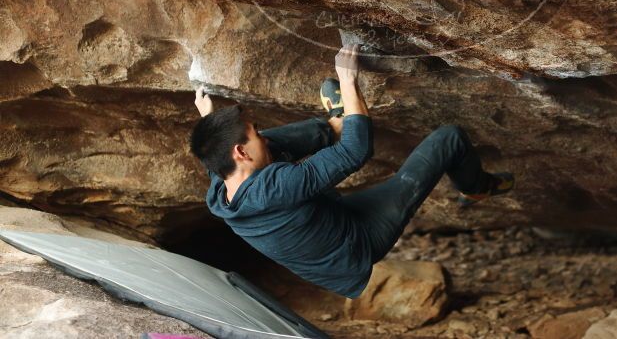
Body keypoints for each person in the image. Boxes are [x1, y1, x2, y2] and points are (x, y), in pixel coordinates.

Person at [189, 44, 514, 298]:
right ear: (240, 151)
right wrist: (349, 79)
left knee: (271, 150)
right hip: (357, 244)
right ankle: (476, 187)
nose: (260, 134)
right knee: (449, 138)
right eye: (253, 133)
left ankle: (334, 124)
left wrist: (210, 120)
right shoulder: (275, 188)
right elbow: (357, 152)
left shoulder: (221, 186)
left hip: (332, 222)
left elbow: (224, 156)